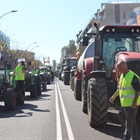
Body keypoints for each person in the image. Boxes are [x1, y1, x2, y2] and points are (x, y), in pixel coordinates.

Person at [109, 60, 140, 140]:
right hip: (126, 103)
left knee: (129, 121)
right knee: (131, 122)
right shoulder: (122, 76)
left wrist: (134, 102)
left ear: (122, 68)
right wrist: (113, 96)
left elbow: (138, 90)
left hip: (133, 104)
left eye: (118, 68)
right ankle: (135, 137)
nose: (117, 70)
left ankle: (126, 137)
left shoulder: (133, 77)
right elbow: (120, 89)